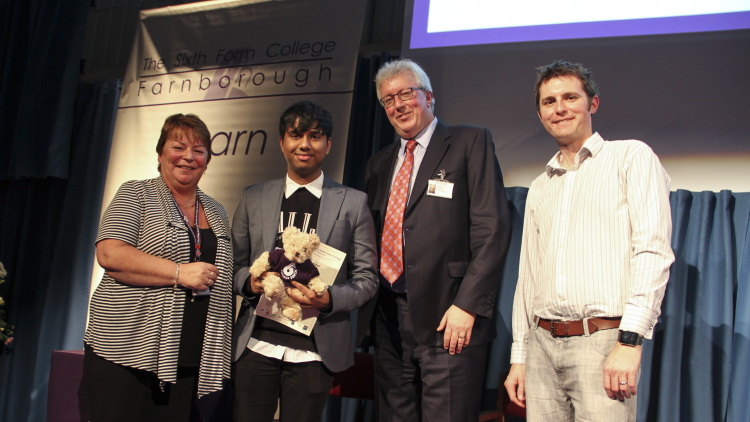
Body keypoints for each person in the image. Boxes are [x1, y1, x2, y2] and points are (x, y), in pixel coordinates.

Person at [504, 60, 675, 421]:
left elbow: (652, 251)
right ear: (540, 113)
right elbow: (528, 277)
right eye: (549, 102)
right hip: (542, 347)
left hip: (603, 341)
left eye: (570, 97)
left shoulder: (631, 157)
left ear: (592, 104)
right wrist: (520, 355)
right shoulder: (540, 186)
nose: (560, 108)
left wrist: (630, 341)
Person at [356, 58, 512, 421]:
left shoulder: (469, 142)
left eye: (406, 93)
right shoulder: (378, 163)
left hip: (449, 317)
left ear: (429, 97)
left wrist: (467, 305)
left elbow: (493, 228)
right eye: (388, 100)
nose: (398, 105)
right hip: (388, 318)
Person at [231, 101, 379, 422]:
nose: (304, 144)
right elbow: (234, 264)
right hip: (256, 344)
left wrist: (328, 299)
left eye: (315, 136)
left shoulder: (353, 203)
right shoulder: (253, 196)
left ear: (328, 144)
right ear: (282, 141)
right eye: (295, 135)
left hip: (315, 351)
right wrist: (250, 282)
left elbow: (368, 279)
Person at [84, 113, 233, 422]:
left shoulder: (217, 210)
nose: (188, 157)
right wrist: (180, 272)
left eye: (199, 150)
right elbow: (110, 254)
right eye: (179, 147)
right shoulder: (135, 193)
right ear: (161, 152)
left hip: (189, 358)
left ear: (207, 160)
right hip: (126, 353)